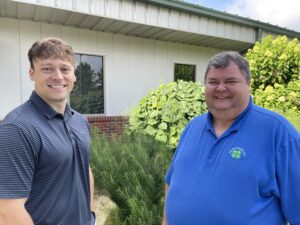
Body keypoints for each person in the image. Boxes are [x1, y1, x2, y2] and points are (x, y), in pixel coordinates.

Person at [162, 51, 300, 225]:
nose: (220, 88)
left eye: (230, 81)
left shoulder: (278, 132)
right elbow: (171, 180)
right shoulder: (193, 126)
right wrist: (166, 220)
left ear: (248, 84)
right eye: (213, 82)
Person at [0, 37, 96, 225]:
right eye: (47, 68)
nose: (58, 76)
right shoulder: (17, 129)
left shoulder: (80, 121)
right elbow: (7, 211)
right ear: (31, 73)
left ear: (74, 75)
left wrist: (90, 215)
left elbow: (84, 169)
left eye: (65, 69)